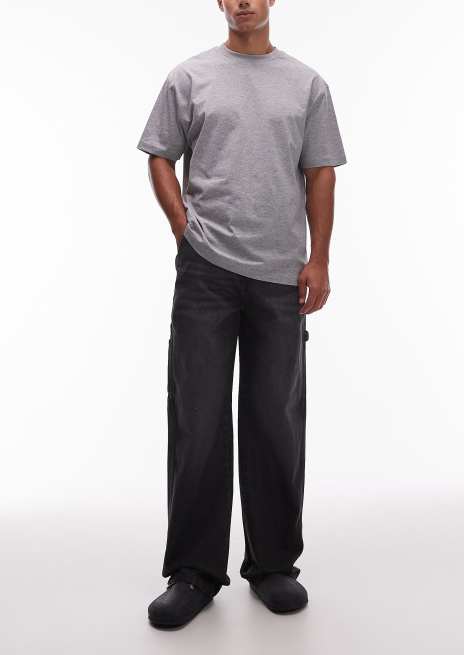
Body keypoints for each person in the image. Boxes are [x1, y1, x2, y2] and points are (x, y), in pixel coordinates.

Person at [136, 0, 347, 628]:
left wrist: (319, 258)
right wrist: (183, 226)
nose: (244, 2)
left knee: (274, 418)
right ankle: (193, 572)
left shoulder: (307, 84)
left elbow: (321, 173)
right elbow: (159, 154)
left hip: (280, 273)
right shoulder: (189, 77)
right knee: (198, 418)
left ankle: (274, 563)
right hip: (206, 271)